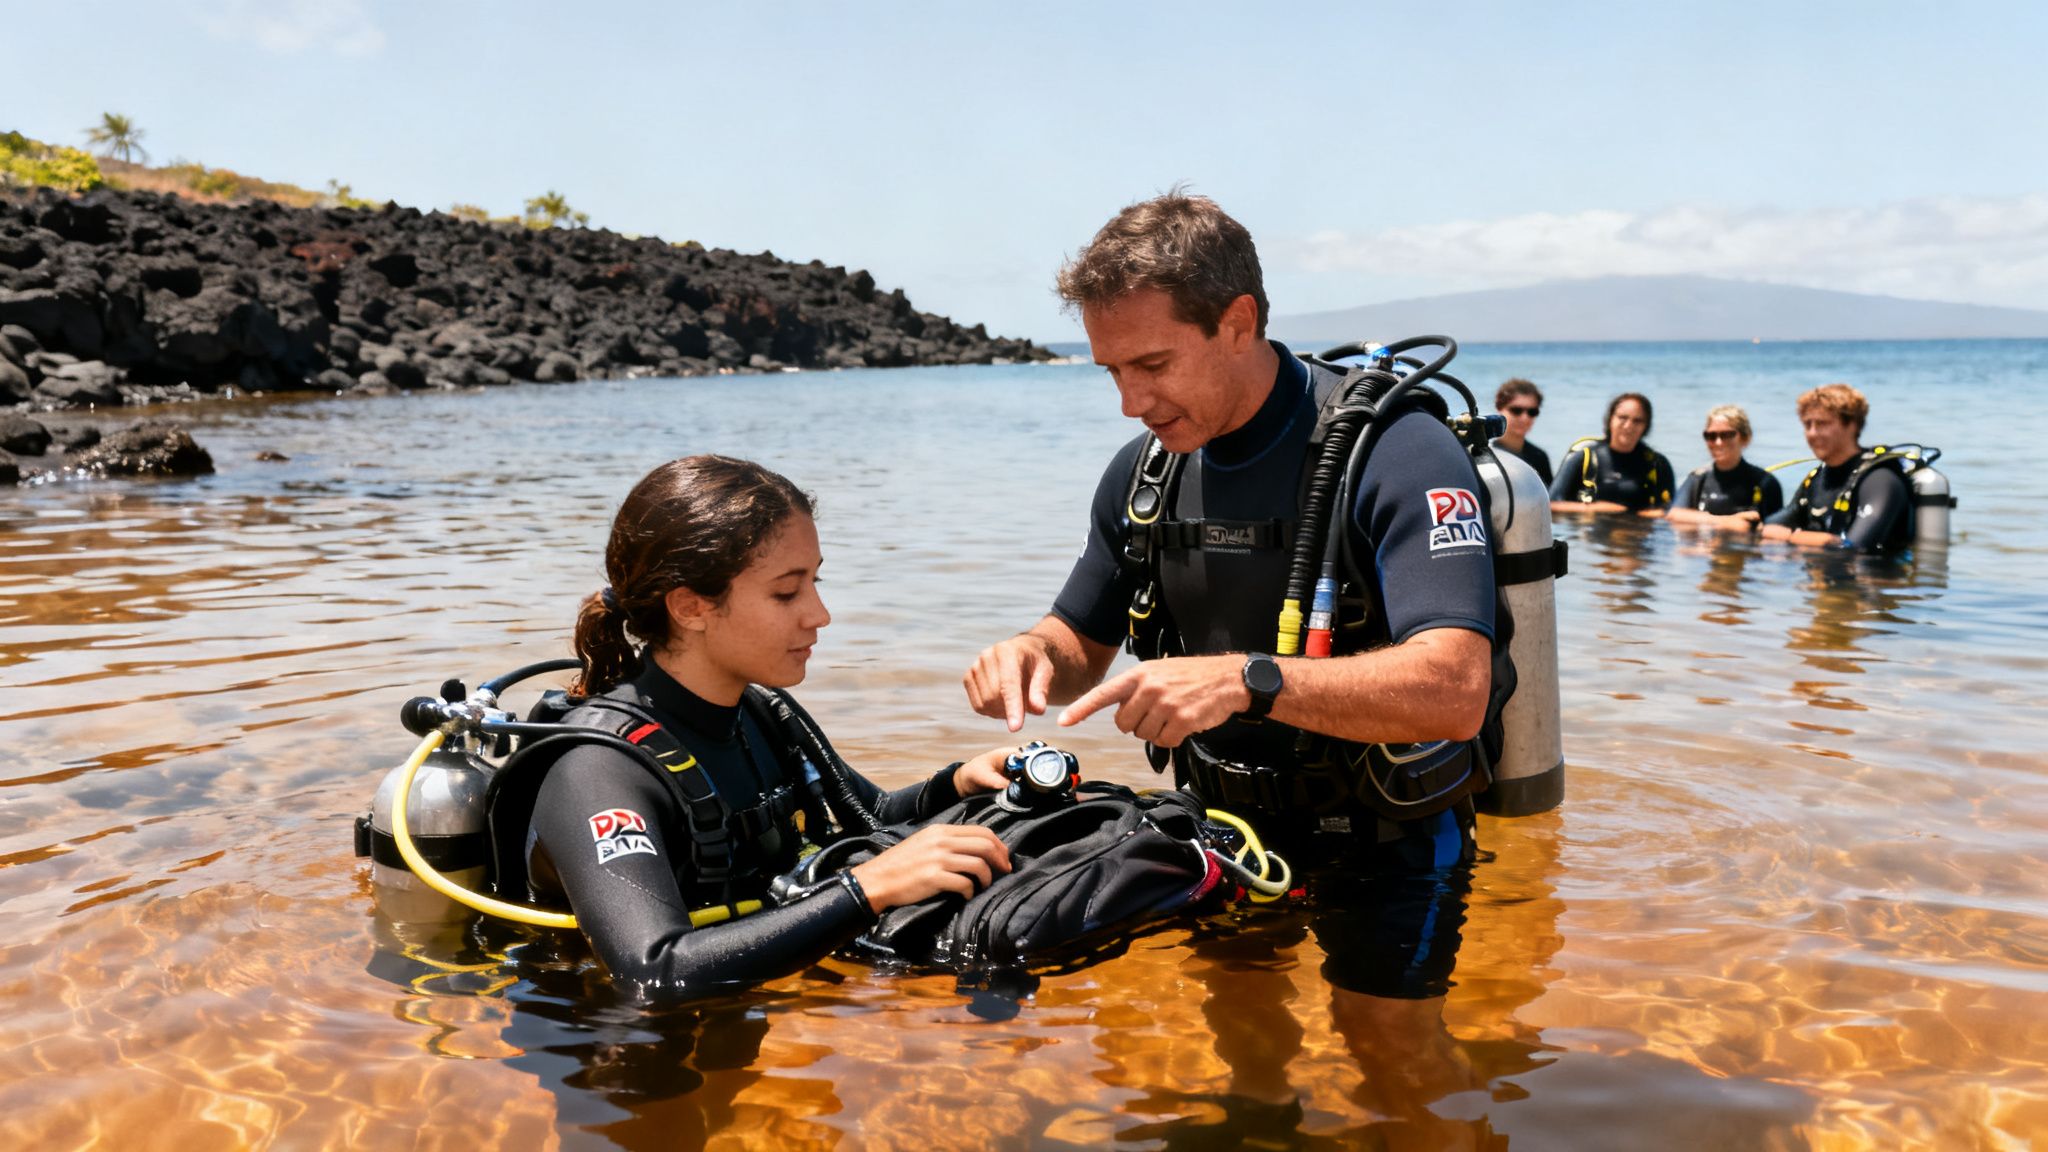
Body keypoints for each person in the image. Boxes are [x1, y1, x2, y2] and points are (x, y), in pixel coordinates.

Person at [961, 189, 1501, 894]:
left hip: (1389, 833)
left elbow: (1457, 690)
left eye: (1152, 365)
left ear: (1238, 322)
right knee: (1229, 1009)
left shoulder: (1399, 451)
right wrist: (1028, 656)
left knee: (1379, 1013)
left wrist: (1244, 681)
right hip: (1220, 829)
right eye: (1112, 371)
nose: (1129, 402)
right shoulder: (1144, 473)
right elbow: (1077, 654)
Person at [515, 455, 1014, 992]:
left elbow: (866, 812)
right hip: (620, 1049)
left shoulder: (759, 710)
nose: (819, 614)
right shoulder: (597, 770)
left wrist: (959, 782)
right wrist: (864, 890)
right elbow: (652, 968)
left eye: (815, 582)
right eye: (786, 592)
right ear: (689, 607)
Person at [1762, 383, 1914, 553]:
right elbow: (1770, 526)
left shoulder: (1880, 479)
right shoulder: (1817, 478)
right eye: (1807, 425)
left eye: (1822, 423)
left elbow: (1855, 548)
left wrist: (1791, 537)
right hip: (1823, 574)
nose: (1812, 433)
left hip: (1872, 577)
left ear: (1852, 425)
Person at [1549, 392, 1675, 515]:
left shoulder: (1657, 464)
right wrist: (1593, 508)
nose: (1628, 426)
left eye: (1637, 421)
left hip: (1636, 531)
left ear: (1646, 427)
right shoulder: (1585, 457)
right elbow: (1550, 504)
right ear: (1610, 419)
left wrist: (1639, 516)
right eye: (1622, 417)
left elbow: (1670, 511)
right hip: (1589, 532)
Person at [1667, 404, 1784, 529]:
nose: (1718, 442)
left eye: (1726, 435)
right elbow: (1674, 514)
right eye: (1711, 436)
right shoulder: (1698, 479)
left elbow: (1776, 533)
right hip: (1706, 547)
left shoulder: (1765, 483)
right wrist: (1726, 521)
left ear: (1746, 438)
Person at [1492, 377, 1553, 486]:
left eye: (1532, 412)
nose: (1525, 418)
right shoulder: (1484, 453)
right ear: (1499, 408)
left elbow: (1549, 498)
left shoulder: (1539, 457)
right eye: (1516, 410)